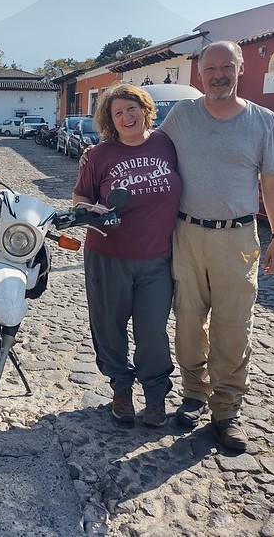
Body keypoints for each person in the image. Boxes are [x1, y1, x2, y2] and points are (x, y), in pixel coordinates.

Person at [158, 40, 274, 451]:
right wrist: (103, 154)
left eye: (226, 67)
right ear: (199, 73)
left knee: (234, 326)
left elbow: (272, 182)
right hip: (187, 234)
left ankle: (226, 410)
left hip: (238, 237)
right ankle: (195, 393)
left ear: (240, 69)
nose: (218, 75)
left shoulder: (262, 120)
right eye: (210, 67)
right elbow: (150, 150)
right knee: (188, 323)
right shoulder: (182, 116)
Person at [72, 83, 181, 428]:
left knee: (153, 331)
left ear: (146, 109)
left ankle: (154, 396)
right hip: (107, 255)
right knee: (109, 328)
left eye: (131, 109)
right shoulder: (99, 155)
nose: (126, 117)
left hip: (156, 259)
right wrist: (94, 210)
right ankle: (120, 389)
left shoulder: (167, 144)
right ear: (110, 120)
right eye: (118, 113)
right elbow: (79, 200)